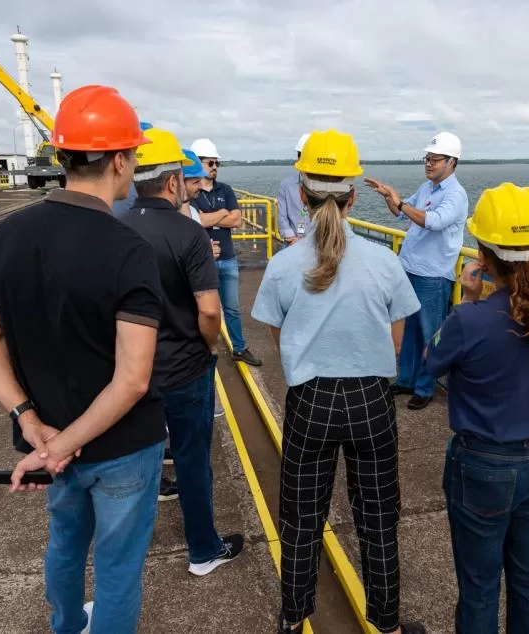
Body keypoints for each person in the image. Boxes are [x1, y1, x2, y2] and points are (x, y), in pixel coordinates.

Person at [0, 85, 165, 633]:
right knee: (119, 567)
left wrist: (30, 422)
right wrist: (63, 445)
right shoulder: (128, 251)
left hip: (45, 439)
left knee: (66, 544)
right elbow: (132, 381)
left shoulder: (4, 236)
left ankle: (67, 625)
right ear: (120, 160)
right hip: (119, 446)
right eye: (135, 156)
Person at [251, 129, 425, 634]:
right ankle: (387, 623)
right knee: (377, 518)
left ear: (301, 195)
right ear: (352, 196)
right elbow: (395, 342)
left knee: (301, 518)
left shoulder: (285, 265)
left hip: (310, 401)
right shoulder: (385, 262)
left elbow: (277, 331)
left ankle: (291, 617)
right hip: (371, 400)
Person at [427, 183, 529, 633]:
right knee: (527, 571)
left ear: (484, 252)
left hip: (483, 464)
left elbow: (432, 362)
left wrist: (469, 299)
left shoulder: (469, 319)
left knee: (479, 585)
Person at [119, 128, 244, 576]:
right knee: (192, 459)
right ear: (173, 181)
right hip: (186, 368)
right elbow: (209, 311)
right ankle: (202, 550)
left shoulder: (115, 228)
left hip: (133, 370)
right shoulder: (188, 233)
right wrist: (207, 345)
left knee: (137, 461)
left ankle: (128, 554)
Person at [365, 132, 468, 410]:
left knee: (429, 332)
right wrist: (390, 197)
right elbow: (400, 213)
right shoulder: (426, 189)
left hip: (433, 275)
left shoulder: (456, 195)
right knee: (410, 328)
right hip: (409, 269)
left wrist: (400, 204)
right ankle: (407, 379)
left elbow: (432, 221)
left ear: (452, 162)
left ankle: (425, 386)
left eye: (435, 159)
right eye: (427, 158)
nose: (429, 164)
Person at [190, 137, 263, 367]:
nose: (214, 168)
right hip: (202, 260)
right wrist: (222, 213)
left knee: (232, 308)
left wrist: (212, 219)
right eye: (210, 163)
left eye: (216, 163)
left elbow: (237, 220)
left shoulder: (226, 189)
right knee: (202, 309)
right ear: (198, 163)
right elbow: (196, 221)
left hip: (228, 258)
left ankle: (239, 348)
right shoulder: (190, 192)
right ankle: (202, 350)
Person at [178, 148, 221, 259]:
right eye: (196, 182)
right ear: (178, 182)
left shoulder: (192, 212)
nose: (201, 187)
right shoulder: (166, 217)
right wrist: (204, 252)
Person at [276, 133, 311, 244]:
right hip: (292, 243)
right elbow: (282, 216)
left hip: (318, 246)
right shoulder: (286, 185)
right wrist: (292, 239)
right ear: (298, 158)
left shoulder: (326, 186)